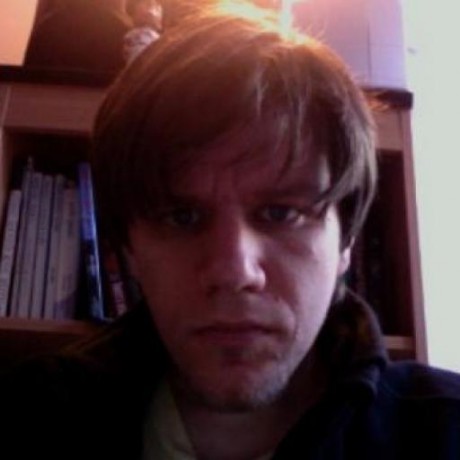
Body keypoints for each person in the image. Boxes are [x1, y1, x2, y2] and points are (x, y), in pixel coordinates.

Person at [2, 2, 460, 459]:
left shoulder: (447, 433)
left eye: (280, 213)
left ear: (346, 241)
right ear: (129, 248)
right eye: (182, 217)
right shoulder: (25, 420)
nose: (234, 271)